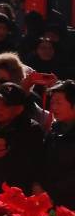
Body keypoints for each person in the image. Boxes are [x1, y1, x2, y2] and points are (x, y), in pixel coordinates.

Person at [38, 80, 75, 208]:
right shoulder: (55, 128)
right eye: (52, 102)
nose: (53, 107)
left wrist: (52, 192)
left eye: (58, 103)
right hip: (48, 198)